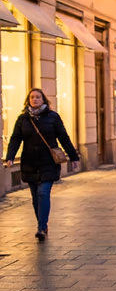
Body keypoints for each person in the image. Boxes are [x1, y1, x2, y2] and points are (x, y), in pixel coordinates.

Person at [3, 88, 81, 241]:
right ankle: (43, 225)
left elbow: (63, 137)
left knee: (43, 192)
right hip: (29, 163)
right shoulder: (23, 119)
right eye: (32, 97)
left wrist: (73, 156)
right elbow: (15, 139)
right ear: (28, 100)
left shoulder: (53, 117)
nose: (35, 99)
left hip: (48, 162)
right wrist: (10, 157)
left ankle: (41, 227)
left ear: (43, 100)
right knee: (35, 197)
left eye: (38, 97)